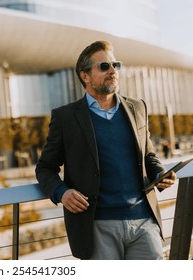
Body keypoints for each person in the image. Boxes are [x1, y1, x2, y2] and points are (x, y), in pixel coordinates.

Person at [35, 40, 176, 260]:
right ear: (85, 76)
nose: (113, 71)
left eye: (115, 65)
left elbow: (148, 155)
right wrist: (62, 193)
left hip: (143, 222)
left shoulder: (138, 108)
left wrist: (159, 174)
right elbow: (45, 168)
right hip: (97, 227)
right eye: (104, 66)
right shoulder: (65, 118)